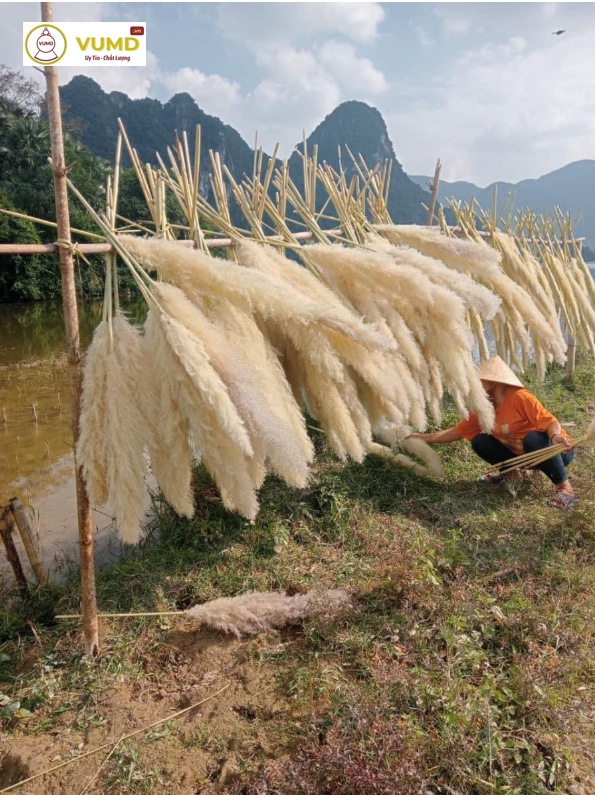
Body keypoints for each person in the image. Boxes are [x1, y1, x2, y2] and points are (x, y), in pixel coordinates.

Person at [407, 355, 578, 509]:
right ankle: (512, 476)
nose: (474, 386)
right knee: (480, 440)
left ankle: (565, 490)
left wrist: (556, 436)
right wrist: (421, 437)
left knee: (533, 438)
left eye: (479, 381)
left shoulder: (520, 397)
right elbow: (455, 433)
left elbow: (550, 422)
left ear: (493, 382)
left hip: (555, 451)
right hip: (524, 458)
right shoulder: (483, 407)